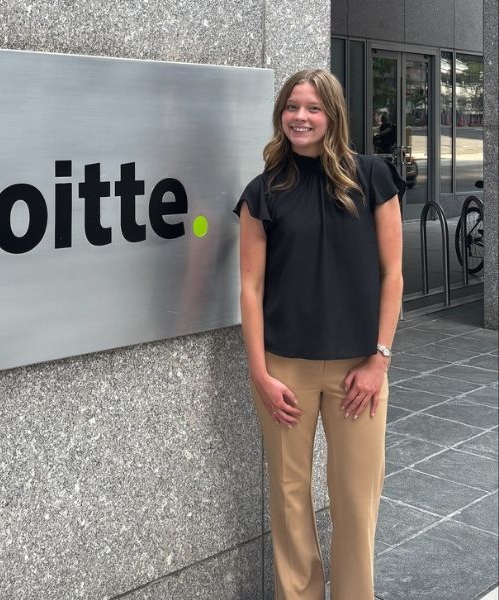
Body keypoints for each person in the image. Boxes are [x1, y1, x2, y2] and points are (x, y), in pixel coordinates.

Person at [234, 69, 404, 600]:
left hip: (361, 370)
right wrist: (259, 373)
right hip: (285, 370)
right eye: (292, 107)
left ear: (332, 115)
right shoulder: (263, 192)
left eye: (312, 108)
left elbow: (394, 274)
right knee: (289, 498)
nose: (300, 117)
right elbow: (249, 287)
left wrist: (379, 359)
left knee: (356, 499)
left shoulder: (372, 177)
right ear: (280, 114)